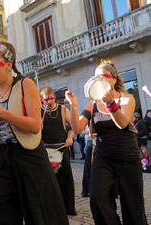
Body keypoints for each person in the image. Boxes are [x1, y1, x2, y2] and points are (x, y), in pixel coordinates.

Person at [0, 41, 69, 225]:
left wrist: (2, 113)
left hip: (30, 158)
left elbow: (35, 125)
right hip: (5, 158)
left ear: (9, 64)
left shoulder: (25, 84)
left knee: (42, 216)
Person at [66, 59, 147, 225]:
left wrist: (110, 104)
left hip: (127, 157)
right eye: (96, 77)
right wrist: (73, 106)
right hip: (103, 157)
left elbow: (123, 123)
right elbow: (78, 127)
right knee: (97, 198)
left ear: (114, 80)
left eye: (104, 76)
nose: (99, 80)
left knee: (133, 204)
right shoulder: (92, 104)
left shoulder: (126, 99)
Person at [40, 86, 77, 215]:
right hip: (46, 150)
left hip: (61, 148)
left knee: (65, 178)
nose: (49, 101)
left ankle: (68, 208)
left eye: (51, 98)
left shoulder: (62, 109)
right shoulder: (38, 111)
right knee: (48, 179)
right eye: (46, 99)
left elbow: (73, 125)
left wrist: (70, 137)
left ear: (54, 97)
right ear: (41, 99)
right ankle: (50, 207)